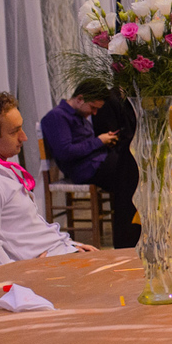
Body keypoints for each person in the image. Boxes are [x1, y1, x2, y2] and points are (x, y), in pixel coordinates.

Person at [0, 93, 97, 268]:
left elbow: (27, 231)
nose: (24, 137)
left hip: (58, 255)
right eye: (14, 131)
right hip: (46, 270)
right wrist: (26, 274)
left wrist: (71, 247)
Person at [40, 79, 139, 248]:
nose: (94, 113)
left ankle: (132, 234)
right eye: (93, 108)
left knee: (133, 165)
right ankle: (127, 239)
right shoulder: (56, 117)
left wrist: (103, 141)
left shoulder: (79, 116)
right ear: (80, 99)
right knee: (129, 169)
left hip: (97, 163)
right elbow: (65, 152)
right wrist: (99, 141)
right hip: (85, 170)